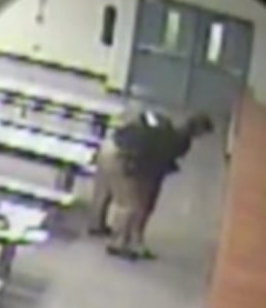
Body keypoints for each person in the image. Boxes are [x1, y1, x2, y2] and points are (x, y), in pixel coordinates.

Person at [89, 109, 213, 259]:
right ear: (198, 132)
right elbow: (151, 166)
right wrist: (139, 183)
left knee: (104, 191)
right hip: (122, 156)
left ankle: (97, 226)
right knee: (129, 204)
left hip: (111, 145)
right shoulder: (174, 142)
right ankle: (117, 243)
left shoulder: (164, 125)